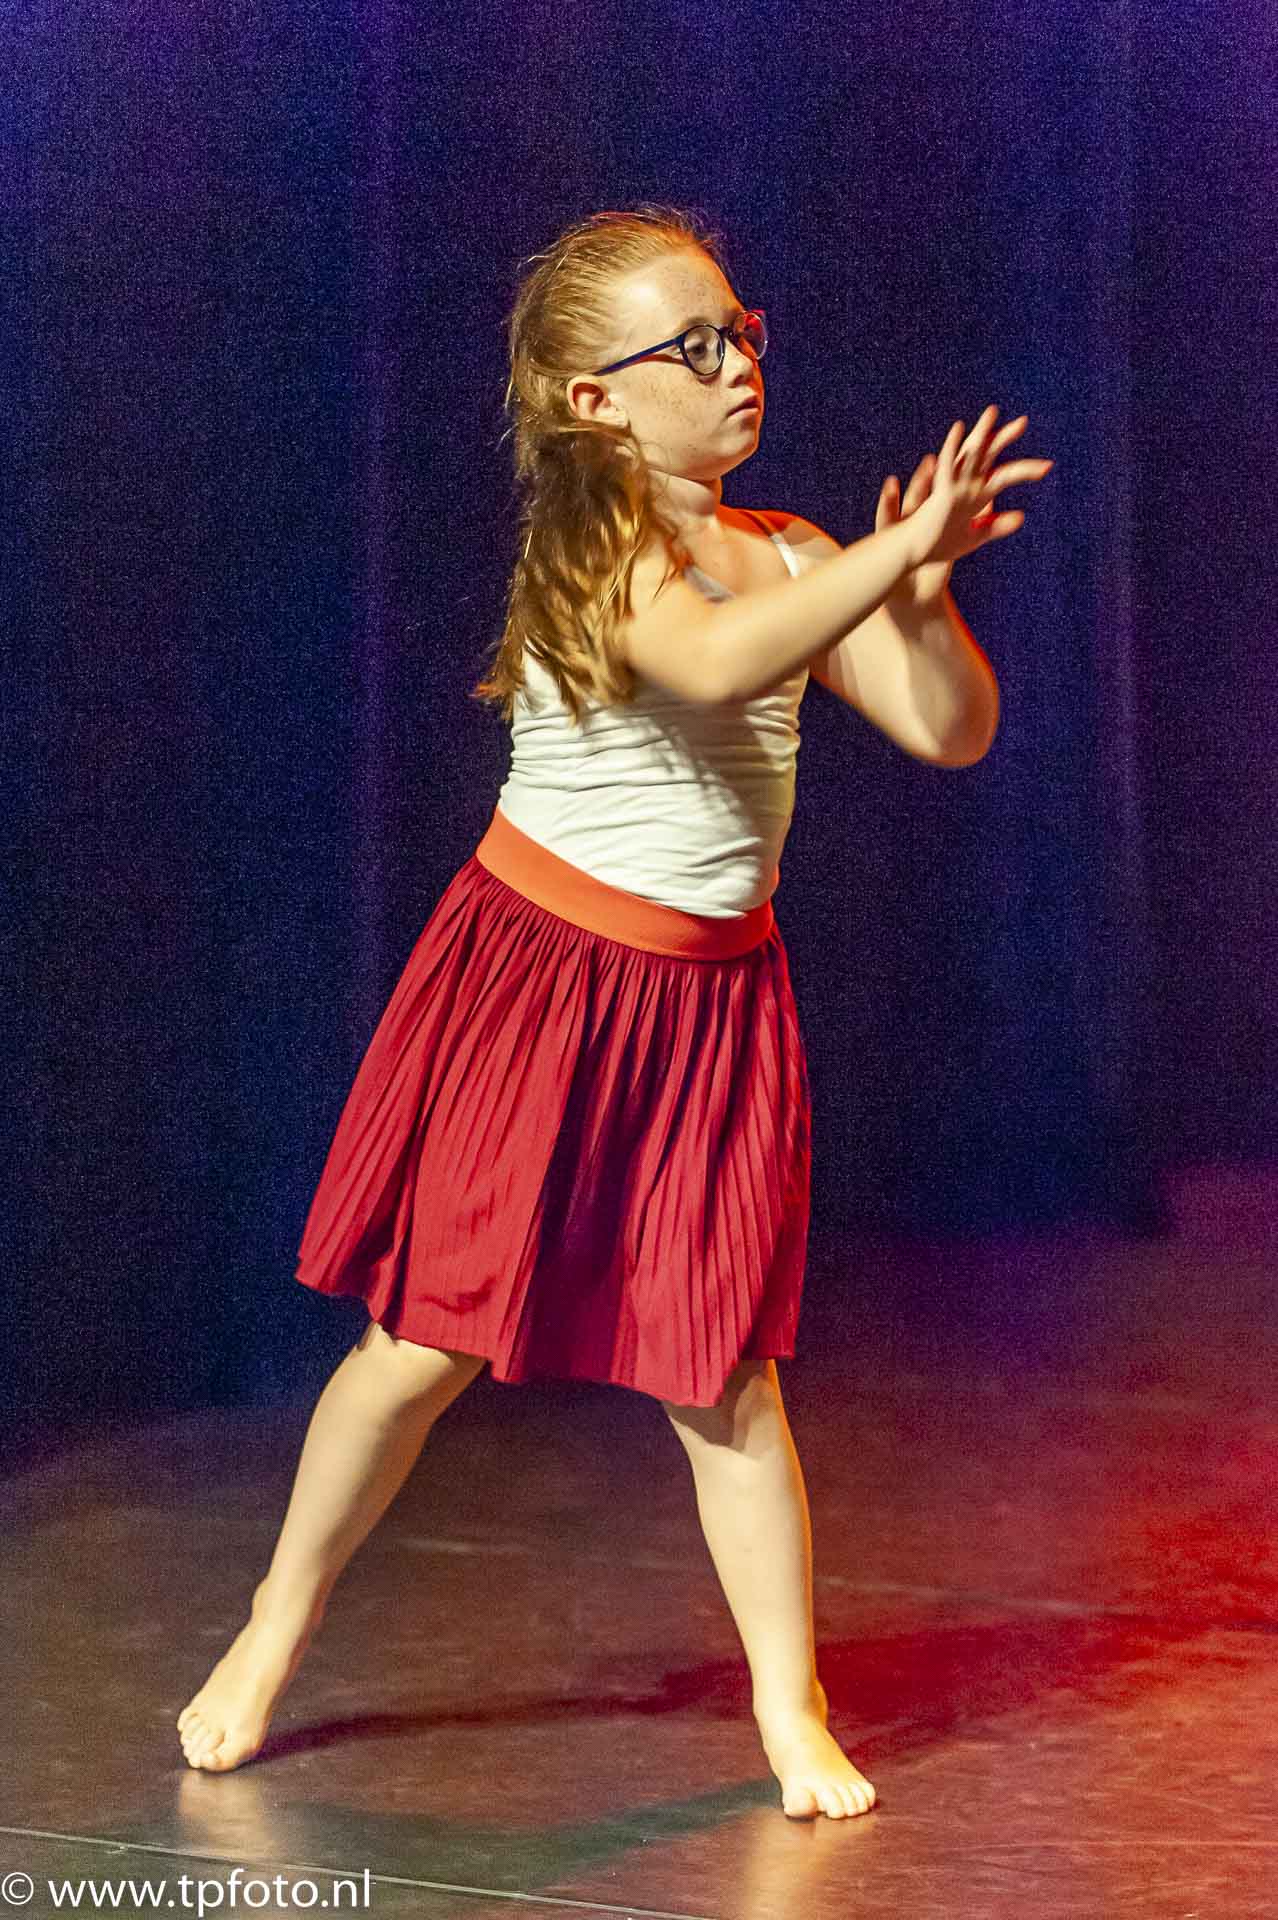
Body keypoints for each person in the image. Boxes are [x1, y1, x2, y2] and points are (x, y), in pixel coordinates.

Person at [177, 203, 1052, 1818]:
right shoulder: (593, 549)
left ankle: (788, 1708)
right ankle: (273, 1621)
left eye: (741, 334)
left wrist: (918, 594)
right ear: (595, 399)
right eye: (692, 347)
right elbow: (709, 663)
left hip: (711, 1010)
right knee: (420, 1346)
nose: (735, 367)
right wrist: (888, 559)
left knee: (723, 1378)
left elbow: (949, 731)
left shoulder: (798, 555)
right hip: (543, 986)